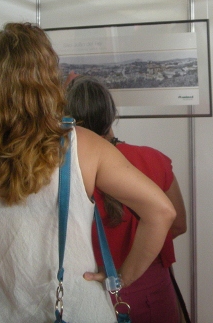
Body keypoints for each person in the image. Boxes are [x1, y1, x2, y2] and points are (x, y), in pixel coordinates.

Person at [0, 22, 176, 323]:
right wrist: (121, 278)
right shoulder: (84, 146)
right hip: (77, 311)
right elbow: (161, 212)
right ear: (47, 81)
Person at [65, 75, 187, 323]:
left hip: (93, 288)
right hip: (152, 285)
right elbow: (177, 225)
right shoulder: (154, 159)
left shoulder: (66, 172)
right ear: (111, 115)